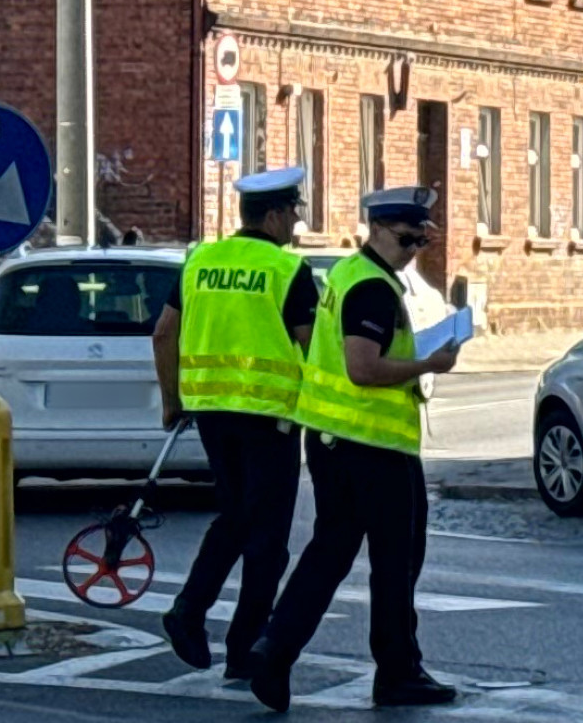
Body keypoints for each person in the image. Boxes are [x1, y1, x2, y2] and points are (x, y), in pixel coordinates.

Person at [243, 186, 462, 711]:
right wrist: (427, 365)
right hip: (371, 446)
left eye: (421, 241)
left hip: (336, 441)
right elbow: (362, 368)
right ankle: (397, 673)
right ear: (380, 230)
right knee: (396, 561)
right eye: (407, 239)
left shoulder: (349, 273)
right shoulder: (371, 289)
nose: (413, 250)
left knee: (331, 551)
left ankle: (274, 651)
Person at [152, 167, 319, 678]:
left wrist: (171, 401)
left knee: (235, 518)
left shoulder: (200, 261)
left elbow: (163, 334)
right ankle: (243, 649)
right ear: (271, 216)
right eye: (292, 213)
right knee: (267, 538)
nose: (295, 223)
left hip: (210, 414)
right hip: (270, 419)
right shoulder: (286, 270)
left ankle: (189, 611)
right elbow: (313, 345)